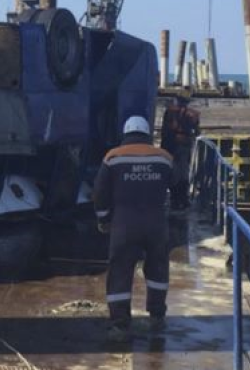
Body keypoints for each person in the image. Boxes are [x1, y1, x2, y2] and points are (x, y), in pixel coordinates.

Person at [93, 115, 174, 342]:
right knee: (158, 269)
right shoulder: (164, 158)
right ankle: (157, 317)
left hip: (124, 224)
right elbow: (179, 182)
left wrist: (103, 218)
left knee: (120, 271)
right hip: (156, 223)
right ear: (147, 133)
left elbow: (99, 193)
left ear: (126, 133)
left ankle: (120, 325)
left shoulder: (113, 157)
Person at [160, 96, 200, 210]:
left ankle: (174, 199)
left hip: (169, 146)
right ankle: (183, 199)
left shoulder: (169, 112)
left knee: (172, 172)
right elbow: (197, 131)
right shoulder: (193, 114)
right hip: (184, 146)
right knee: (183, 172)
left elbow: (165, 130)